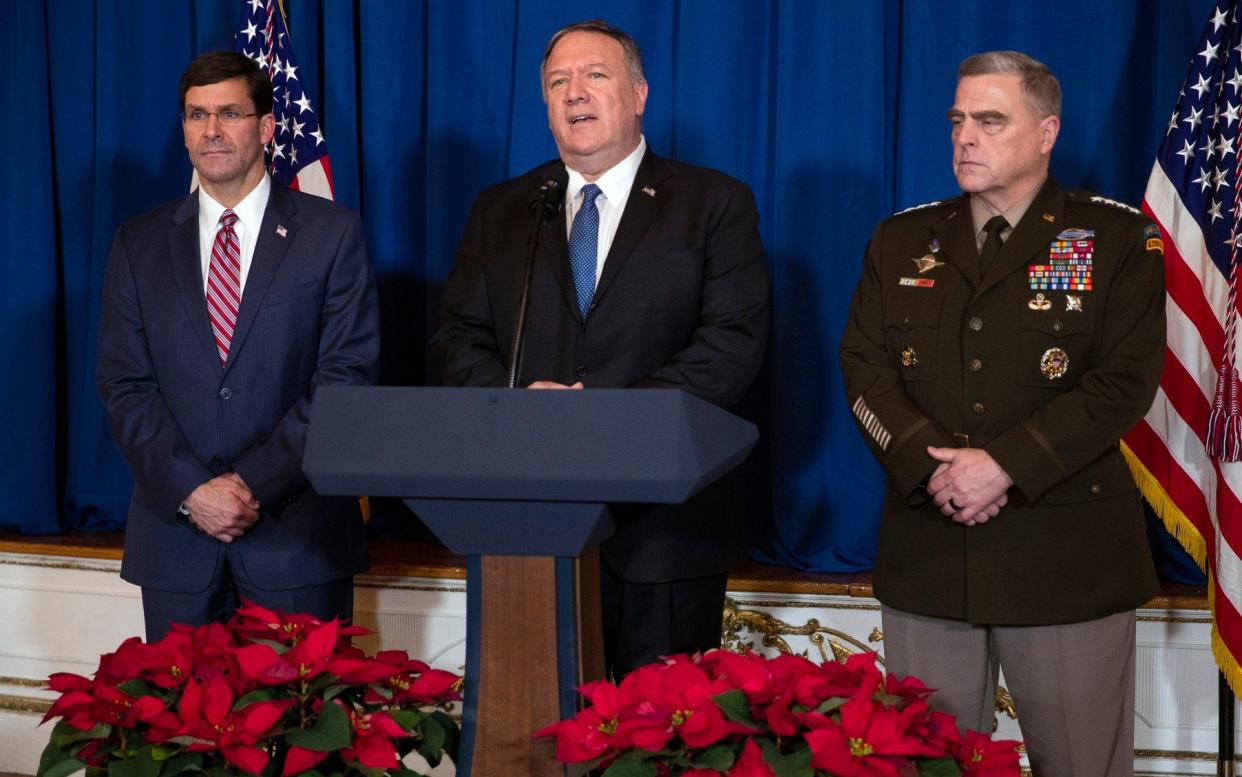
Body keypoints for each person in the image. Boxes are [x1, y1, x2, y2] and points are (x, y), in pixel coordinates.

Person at [839, 51, 1164, 775]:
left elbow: (1124, 383)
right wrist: (938, 470)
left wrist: (1003, 467)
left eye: (990, 120)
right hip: (931, 550)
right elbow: (864, 370)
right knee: (929, 764)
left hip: (1065, 560)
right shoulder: (901, 240)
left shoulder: (1115, 240)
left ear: (1046, 133)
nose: (965, 137)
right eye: (958, 120)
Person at [432, 20, 770, 678]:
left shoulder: (712, 204)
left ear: (639, 95)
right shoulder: (502, 209)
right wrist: (518, 402)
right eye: (558, 81)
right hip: (528, 527)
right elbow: (457, 339)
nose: (574, 93)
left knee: (662, 740)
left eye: (595, 76)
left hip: (664, 534)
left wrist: (605, 412)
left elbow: (731, 345)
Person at [96, 51, 380, 641]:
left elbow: (346, 378)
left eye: (229, 113)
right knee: (179, 733)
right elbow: (125, 386)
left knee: (307, 731)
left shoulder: (331, 235)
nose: (212, 130)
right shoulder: (138, 243)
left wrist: (250, 486)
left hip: (296, 541)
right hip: (177, 542)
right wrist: (192, 491)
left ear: (266, 127)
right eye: (197, 115)